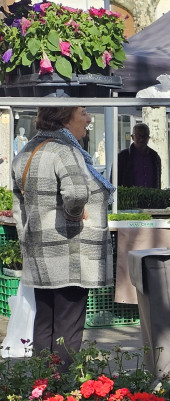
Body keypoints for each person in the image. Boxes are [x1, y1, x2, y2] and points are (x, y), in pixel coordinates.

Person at [11, 106, 115, 370]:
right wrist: (73, 215)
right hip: (70, 253)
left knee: (44, 323)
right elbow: (78, 192)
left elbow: (19, 208)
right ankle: (62, 390)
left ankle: (39, 387)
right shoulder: (64, 150)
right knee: (68, 326)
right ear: (63, 116)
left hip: (39, 252)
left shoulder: (24, 153)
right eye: (83, 112)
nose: (89, 118)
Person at [117, 122, 161, 188]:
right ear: (132, 137)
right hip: (129, 197)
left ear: (148, 138)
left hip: (150, 197)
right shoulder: (122, 157)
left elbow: (157, 180)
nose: (141, 139)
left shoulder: (154, 156)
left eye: (144, 136)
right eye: (138, 136)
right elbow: (114, 181)